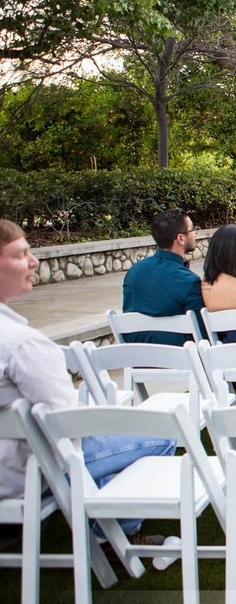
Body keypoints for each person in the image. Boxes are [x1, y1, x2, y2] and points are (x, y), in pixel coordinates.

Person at [0, 219, 175, 542]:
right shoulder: (22, 344)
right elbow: (70, 428)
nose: (34, 261)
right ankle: (116, 535)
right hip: (28, 473)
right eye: (21, 253)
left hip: (16, 464)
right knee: (161, 435)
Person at [121, 208, 205, 344]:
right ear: (181, 238)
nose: (195, 233)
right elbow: (201, 334)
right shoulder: (189, 281)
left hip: (137, 357)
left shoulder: (134, 272)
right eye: (192, 229)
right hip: (179, 360)